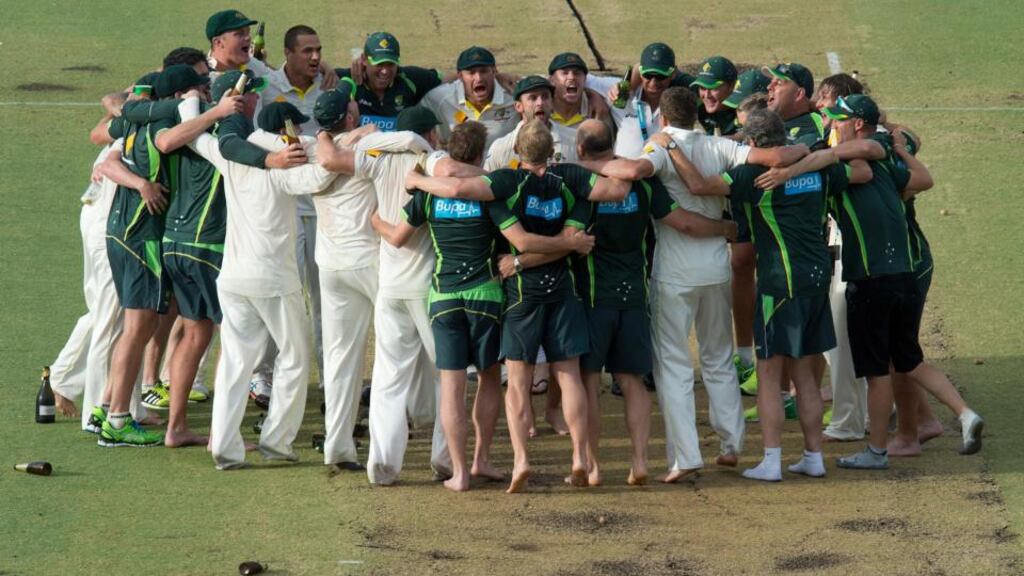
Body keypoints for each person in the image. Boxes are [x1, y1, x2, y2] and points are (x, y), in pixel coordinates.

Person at [589, 87, 807, 480]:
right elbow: (776, 155)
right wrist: (801, 157)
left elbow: (635, 172)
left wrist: (587, 165)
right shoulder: (720, 145)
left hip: (674, 274)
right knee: (718, 358)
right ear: (696, 116)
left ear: (663, 119)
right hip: (716, 270)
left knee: (673, 366)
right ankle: (730, 443)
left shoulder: (659, 147)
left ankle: (685, 456)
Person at [408, 119, 632, 493]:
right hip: (563, 287)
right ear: (554, 151)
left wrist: (417, 182)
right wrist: (586, 168)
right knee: (569, 376)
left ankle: (520, 461)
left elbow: (460, 188)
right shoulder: (570, 178)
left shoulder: (506, 183)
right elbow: (617, 191)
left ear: (516, 152)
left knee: (519, 382)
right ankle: (579, 455)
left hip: (520, 294)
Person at [665, 109, 870, 480]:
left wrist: (671, 148)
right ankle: (813, 457)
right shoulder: (817, 168)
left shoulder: (752, 175)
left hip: (780, 282)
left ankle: (772, 460)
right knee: (806, 375)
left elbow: (698, 186)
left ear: (755, 144)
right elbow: (862, 170)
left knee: (770, 372)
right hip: (816, 276)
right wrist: (820, 153)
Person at [318, 106, 482, 485]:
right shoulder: (431, 157)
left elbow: (328, 158)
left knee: (389, 377)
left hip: (390, 286)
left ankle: (383, 464)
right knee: (447, 375)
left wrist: (328, 132)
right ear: (432, 134)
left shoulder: (375, 162)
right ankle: (444, 459)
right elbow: (457, 175)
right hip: (427, 287)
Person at [572, 120, 738, 486]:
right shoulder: (645, 185)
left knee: (588, 382)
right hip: (635, 296)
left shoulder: (583, 184)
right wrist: (725, 229)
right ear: (614, 145)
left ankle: (594, 465)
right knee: (632, 379)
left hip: (595, 296)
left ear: (581, 150)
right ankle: (640, 461)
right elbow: (684, 221)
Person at [178, 96, 338, 468]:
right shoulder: (285, 163)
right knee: (295, 358)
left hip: (233, 278)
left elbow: (197, 139)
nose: (299, 133)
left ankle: (224, 446)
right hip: (274, 281)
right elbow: (324, 173)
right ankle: (278, 442)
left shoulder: (233, 155)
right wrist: (329, 140)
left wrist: (191, 105)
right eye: (295, 128)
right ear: (285, 131)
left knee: (235, 361)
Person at [97, 66, 214, 447]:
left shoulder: (133, 124)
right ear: (180, 94)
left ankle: (106, 405)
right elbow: (167, 143)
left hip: (121, 232)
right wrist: (216, 113)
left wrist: (140, 182)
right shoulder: (163, 125)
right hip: (141, 236)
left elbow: (107, 159)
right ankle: (116, 419)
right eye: (198, 89)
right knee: (137, 329)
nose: (203, 93)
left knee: (137, 329)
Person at [134, 70, 245, 447]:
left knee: (195, 334)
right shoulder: (225, 135)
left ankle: (176, 428)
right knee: (233, 336)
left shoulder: (187, 128)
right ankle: (223, 435)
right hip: (208, 247)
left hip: (175, 244)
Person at [249, 24, 330, 405]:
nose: (315, 58)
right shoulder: (264, 80)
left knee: (324, 297)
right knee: (282, 295)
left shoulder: (327, 85)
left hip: (321, 208)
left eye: (318, 50)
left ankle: (331, 378)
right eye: (307, 51)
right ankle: (262, 377)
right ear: (288, 53)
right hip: (282, 210)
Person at [306, 90, 379, 471]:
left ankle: (338, 446)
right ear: (348, 117)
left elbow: (324, 154)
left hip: (330, 266)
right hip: (369, 261)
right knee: (394, 354)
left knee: (339, 359)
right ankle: (383, 447)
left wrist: (328, 135)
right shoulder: (364, 145)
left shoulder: (312, 151)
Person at [586, 42, 691, 158]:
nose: (653, 83)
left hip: (663, 174)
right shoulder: (621, 92)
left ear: (673, 73)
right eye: (648, 75)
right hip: (622, 172)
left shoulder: (681, 101)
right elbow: (581, 79)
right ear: (641, 72)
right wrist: (593, 94)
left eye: (661, 76)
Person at [336, 31, 444, 131]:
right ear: (364, 60)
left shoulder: (409, 78)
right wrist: (325, 66)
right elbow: (320, 73)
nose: (385, 71)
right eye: (379, 64)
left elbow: (449, 77)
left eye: (390, 64)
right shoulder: (349, 78)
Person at [421, 46, 518, 147]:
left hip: (506, 163)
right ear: (460, 76)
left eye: (484, 71)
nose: (479, 78)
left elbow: (533, 85)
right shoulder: (438, 98)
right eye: (471, 73)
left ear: (494, 72)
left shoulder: (513, 94)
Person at [484, 75, 577, 170]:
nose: (540, 103)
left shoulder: (574, 140)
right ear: (518, 106)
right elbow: (486, 183)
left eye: (545, 97)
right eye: (533, 98)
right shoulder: (500, 147)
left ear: (552, 103)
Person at [690, 56, 739, 137]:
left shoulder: (745, 109)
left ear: (732, 86)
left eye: (713, 88)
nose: (706, 95)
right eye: (702, 88)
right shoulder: (699, 107)